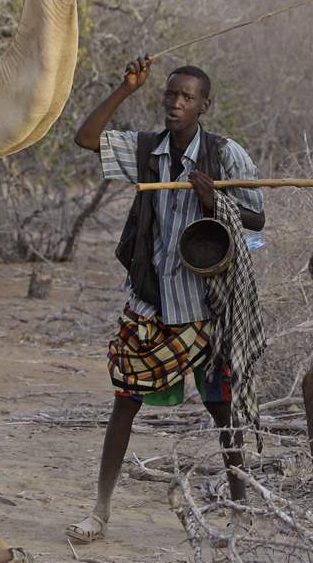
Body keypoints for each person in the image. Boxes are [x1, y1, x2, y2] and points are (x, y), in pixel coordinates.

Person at [65, 56, 266, 544]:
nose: (176, 103)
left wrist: (214, 200)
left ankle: (240, 515)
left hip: (206, 304)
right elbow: (86, 139)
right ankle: (100, 511)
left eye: (187, 97)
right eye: (170, 94)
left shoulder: (224, 154)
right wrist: (125, 88)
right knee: (124, 403)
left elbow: (257, 218)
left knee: (223, 411)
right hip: (151, 301)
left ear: (204, 106)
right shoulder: (146, 149)